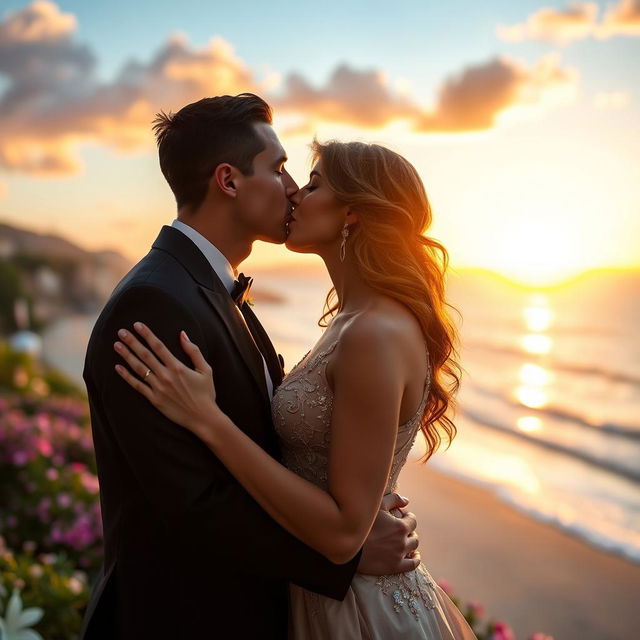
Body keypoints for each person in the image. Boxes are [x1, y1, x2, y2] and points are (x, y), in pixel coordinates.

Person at [80, 94, 420, 639]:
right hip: (185, 618)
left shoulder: (207, 288)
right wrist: (345, 557)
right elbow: (191, 502)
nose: (291, 188)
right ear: (229, 181)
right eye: (280, 167)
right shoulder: (155, 303)